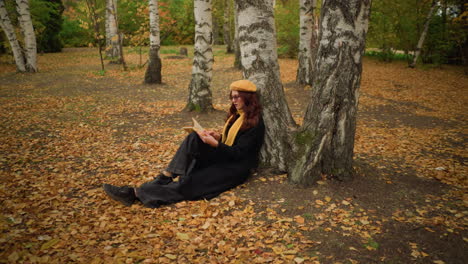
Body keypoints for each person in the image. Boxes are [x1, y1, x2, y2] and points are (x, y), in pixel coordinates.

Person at [103, 80, 265, 208]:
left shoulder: (255, 123)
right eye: (231, 96)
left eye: (237, 97)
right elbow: (231, 141)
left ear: (248, 98)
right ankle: (165, 176)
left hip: (235, 168)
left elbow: (239, 154)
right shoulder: (236, 116)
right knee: (195, 137)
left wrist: (215, 144)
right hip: (225, 158)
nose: (233, 100)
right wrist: (219, 136)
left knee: (188, 183)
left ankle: (134, 193)